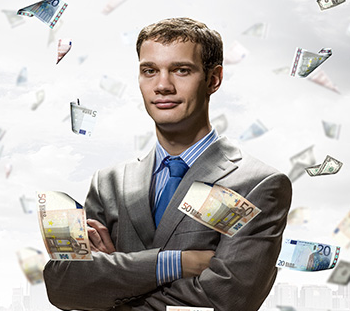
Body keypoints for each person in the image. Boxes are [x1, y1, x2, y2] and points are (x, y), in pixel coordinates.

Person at [44, 17, 292, 311]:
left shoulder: (256, 184)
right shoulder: (108, 183)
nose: (162, 85)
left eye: (181, 70)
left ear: (213, 79)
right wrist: (175, 262)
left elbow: (227, 299)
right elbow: (64, 285)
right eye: (149, 71)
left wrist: (112, 283)